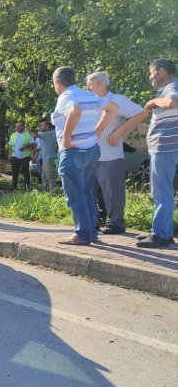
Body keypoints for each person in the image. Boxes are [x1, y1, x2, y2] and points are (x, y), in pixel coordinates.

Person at [108, 58, 177, 248]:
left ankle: (160, 235)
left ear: (161, 71)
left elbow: (172, 102)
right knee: (161, 191)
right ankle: (163, 231)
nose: (150, 76)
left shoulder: (172, 87)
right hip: (163, 147)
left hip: (165, 147)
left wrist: (153, 101)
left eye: (151, 72)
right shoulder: (169, 87)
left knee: (162, 191)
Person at [51, 66, 117, 246]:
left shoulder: (66, 97)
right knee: (87, 192)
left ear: (58, 83)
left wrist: (66, 137)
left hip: (73, 152)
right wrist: (99, 130)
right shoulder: (89, 95)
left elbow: (75, 111)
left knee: (75, 194)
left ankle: (82, 234)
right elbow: (112, 108)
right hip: (91, 149)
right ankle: (92, 231)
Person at [85, 71, 149, 235]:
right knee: (89, 191)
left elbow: (141, 113)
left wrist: (119, 132)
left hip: (109, 153)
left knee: (112, 191)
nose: (87, 87)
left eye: (90, 84)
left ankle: (116, 223)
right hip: (89, 154)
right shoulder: (89, 101)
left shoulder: (117, 99)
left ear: (102, 84)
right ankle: (93, 221)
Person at [8, 121, 37, 190]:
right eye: (17, 126)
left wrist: (26, 146)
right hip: (15, 156)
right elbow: (10, 146)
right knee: (14, 172)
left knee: (25, 172)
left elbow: (34, 144)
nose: (18, 127)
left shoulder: (28, 134)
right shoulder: (13, 135)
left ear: (23, 126)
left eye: (19, 126)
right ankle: (14, 186)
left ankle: (27, 187)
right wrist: (9, 155)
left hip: (25, 156)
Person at [32, 118, 59, 191]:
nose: (40, 127)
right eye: (40, 126)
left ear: (47, 126)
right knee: (43, 176)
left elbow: (35, 135)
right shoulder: (46, 134)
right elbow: (46, 145)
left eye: (42, 125)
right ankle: (45, 191)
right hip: (45, 158)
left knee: (50, 176)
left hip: (48, 158)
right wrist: (38, 149)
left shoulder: (49, 133)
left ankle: (53, 191)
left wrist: (28, 129)